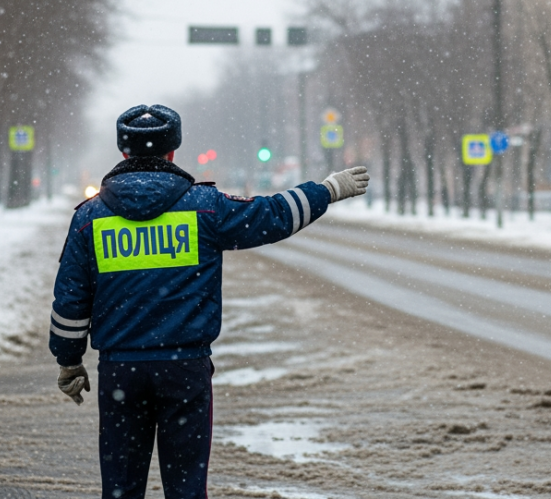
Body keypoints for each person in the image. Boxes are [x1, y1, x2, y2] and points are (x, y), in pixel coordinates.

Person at [48, 104, 369, 499]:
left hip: (121, 372)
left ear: (123, 152)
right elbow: (272, 216)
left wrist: (68, 361)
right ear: (172, 151)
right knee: (186, 488)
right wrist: (328, 189)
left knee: (120, 488)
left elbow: (70, 301)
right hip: (185, 369)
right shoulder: (204, 207)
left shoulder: (89, 219)